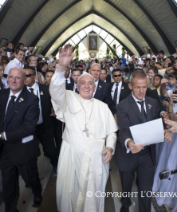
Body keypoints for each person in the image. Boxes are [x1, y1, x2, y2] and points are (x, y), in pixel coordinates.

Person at [49, 44, 118, 212]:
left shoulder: (102, 106)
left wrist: (110, 147)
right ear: (77, 86)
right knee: (71, 195)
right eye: (83, 83)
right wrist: (61, 66)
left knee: (94, 197)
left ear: (94, 88)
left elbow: (112, 132)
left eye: (90, 84)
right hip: (72, 157)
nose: (87, 86)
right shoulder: (69, 98)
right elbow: (56, 91)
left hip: (97, 158)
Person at [0, 67, 42, 211]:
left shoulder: (31, 99)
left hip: (23, 149)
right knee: (8, 184)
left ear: (24, 80)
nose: (13, 80)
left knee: (30, 178)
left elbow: (28, 128)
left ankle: (37, 192)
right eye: (11, 77)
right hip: (5, 150)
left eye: (17, 78)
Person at [114, 70, 172, 212]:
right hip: (129, 153)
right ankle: (125, 205)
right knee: (126, 186)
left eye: (144, 87)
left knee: (145, 189)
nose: (141, 91)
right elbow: (124, 130)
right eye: (137, 87)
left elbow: (159, 121)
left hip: (147, 153)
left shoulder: (152, 102)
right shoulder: (123, 106)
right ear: (130, 87)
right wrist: (129, 142)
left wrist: (166, 130)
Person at [24, 66, 58, 173]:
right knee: (30, 154)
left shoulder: (45, 89)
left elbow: (55, 101)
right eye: (23, 76)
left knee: (51, 150)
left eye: (28, 75)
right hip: (27, 129)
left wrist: (57, 110)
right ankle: (31, 178)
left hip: (44, 126)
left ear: (34, 76)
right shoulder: (19, 91)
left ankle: (56, 166)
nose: (25, 78)